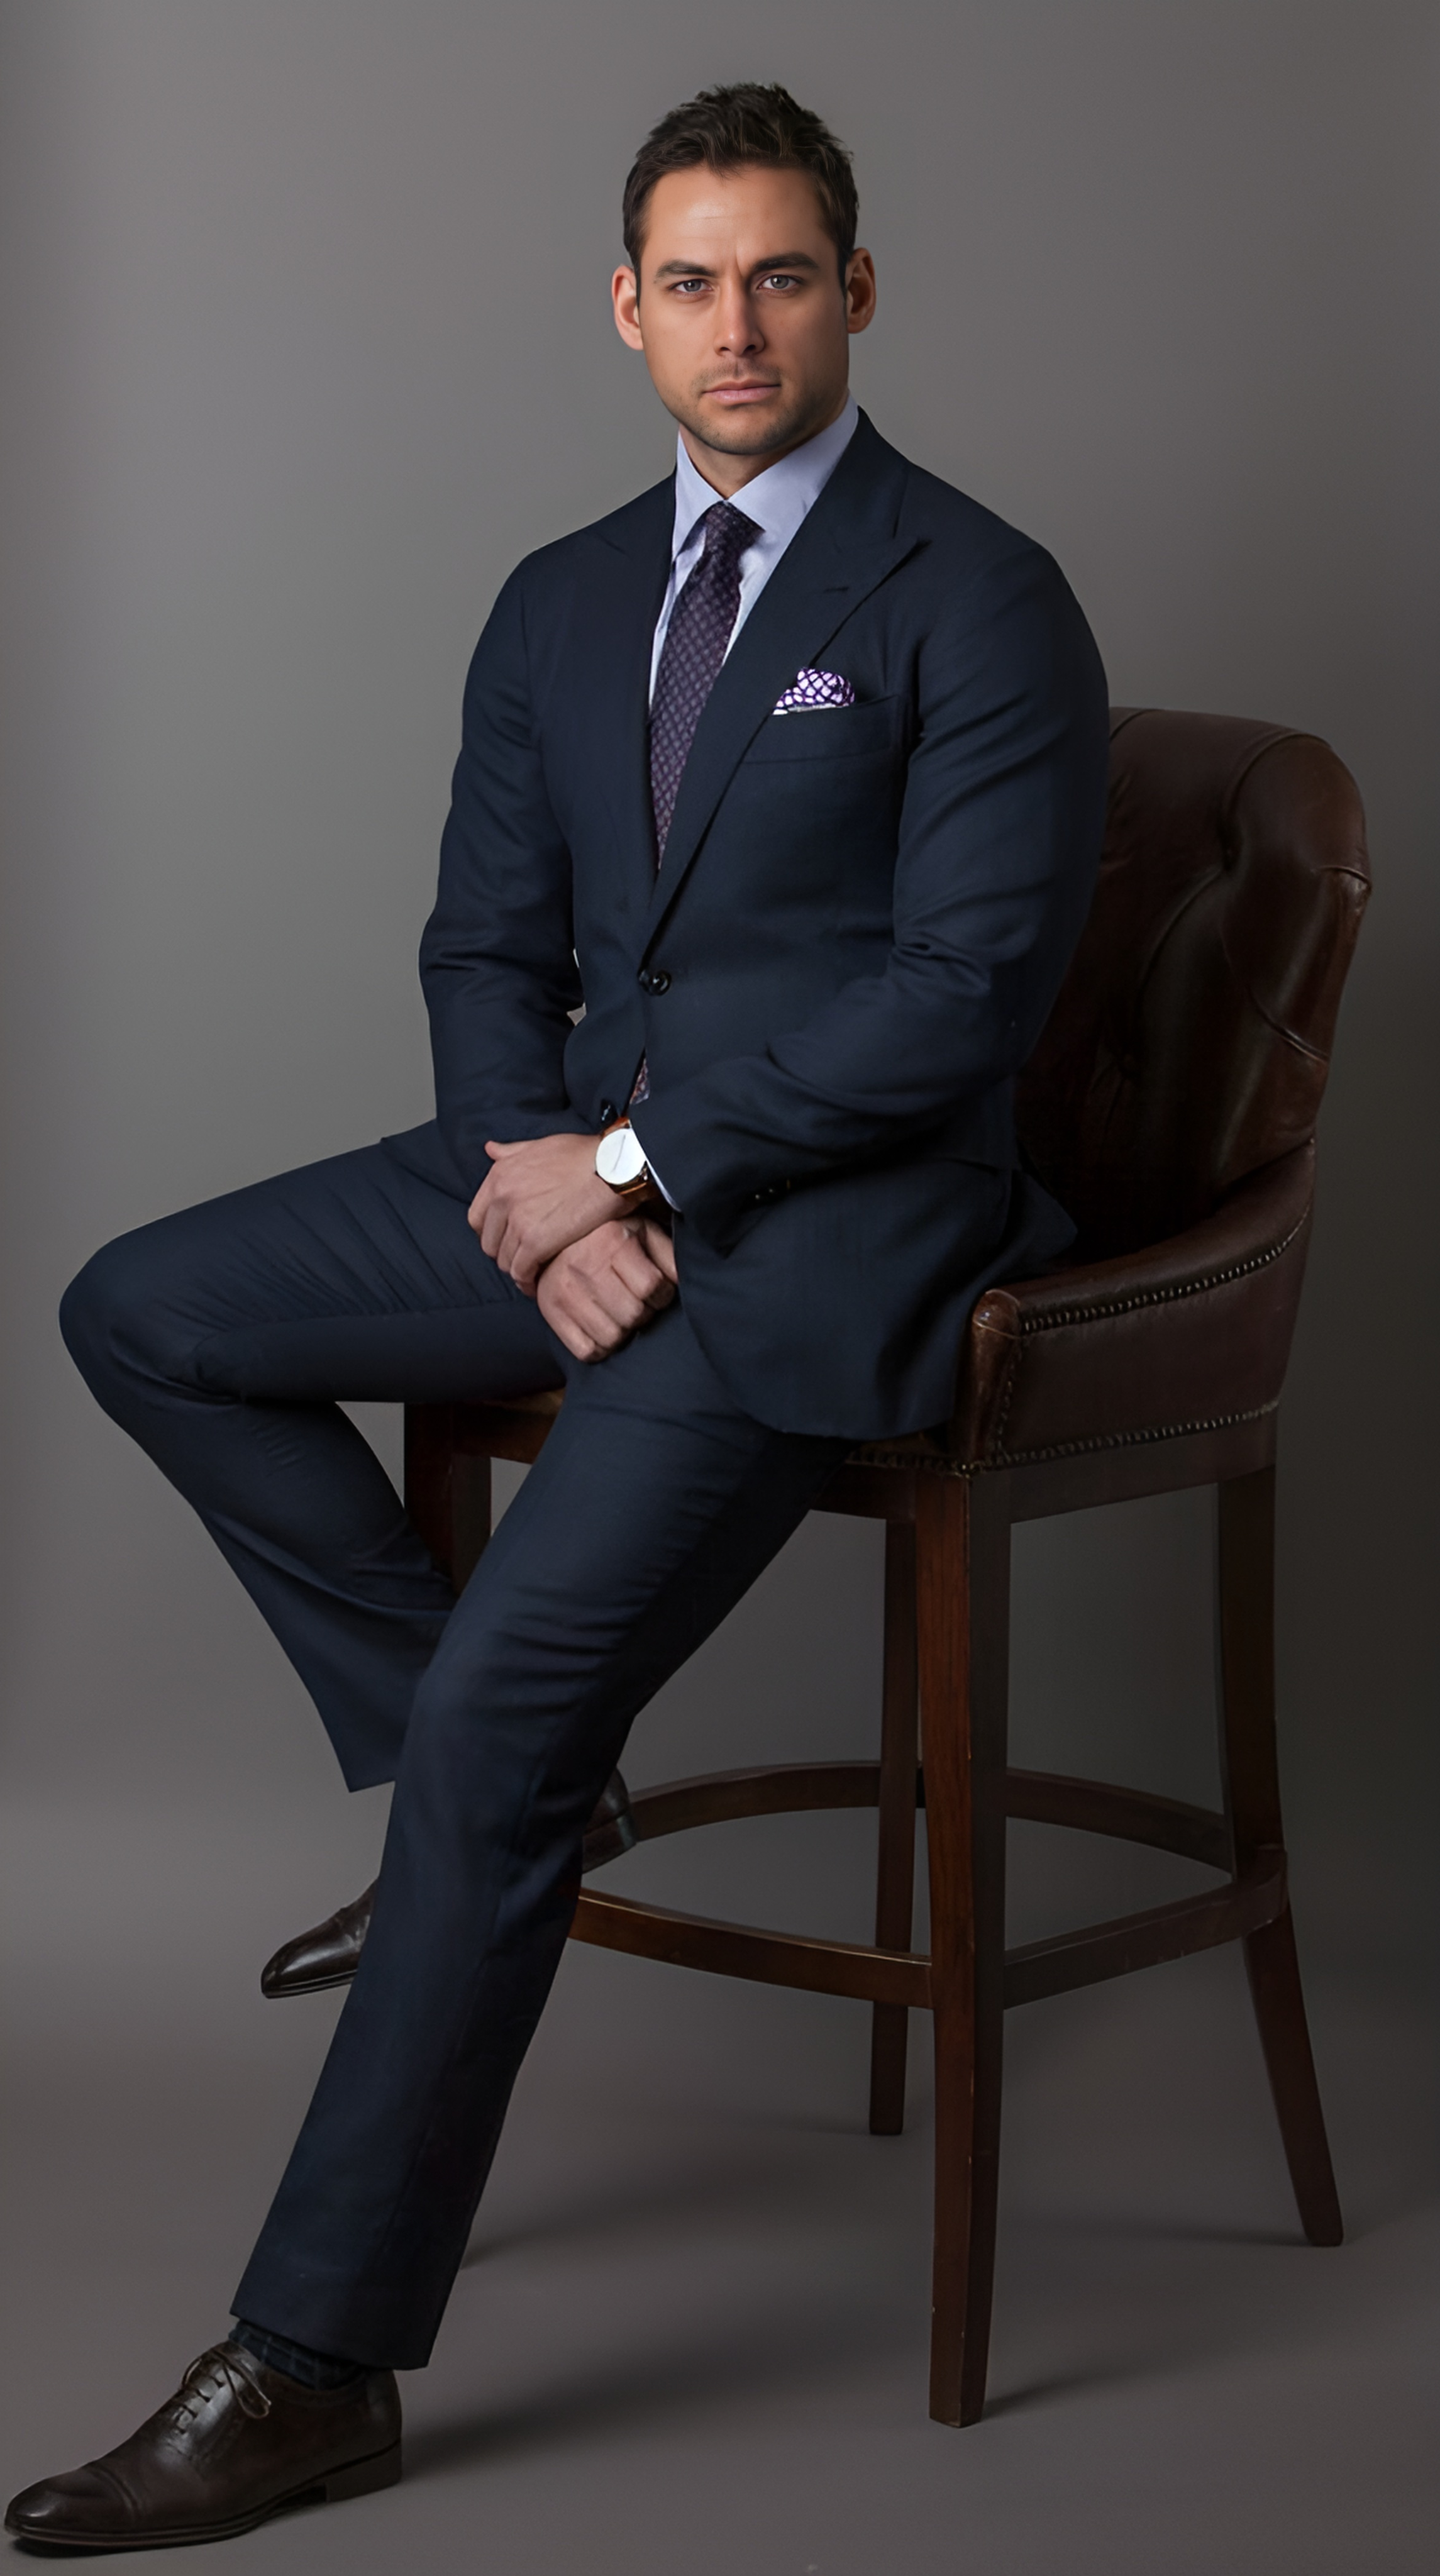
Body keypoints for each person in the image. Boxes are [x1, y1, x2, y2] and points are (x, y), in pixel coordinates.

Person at [8, 82, 1108, 2551]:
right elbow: (482, 949)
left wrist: (632, 1175)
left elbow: (960, 996)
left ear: (854, 290)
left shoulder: (977, 595)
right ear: (625, 307)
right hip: (566, 1178)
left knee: (506, 1719)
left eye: (783, 275)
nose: (739, 327)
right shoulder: (560, 595)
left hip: (817, 1242)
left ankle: (314, 2365)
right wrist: (535, 1187)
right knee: (142, 1308)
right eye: (690, 282)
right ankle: (480, 1777)